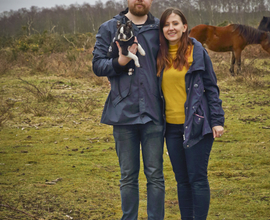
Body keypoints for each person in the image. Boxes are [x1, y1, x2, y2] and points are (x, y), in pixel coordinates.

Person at [92, 0, 165, 219]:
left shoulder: (160, 29)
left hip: (154, 112)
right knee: (128, 177)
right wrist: (120, 61)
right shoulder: (109, 27)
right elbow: (97, 65)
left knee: (155, 176)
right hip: (123, 112)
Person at [156, 8, 225, 220]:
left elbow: (211, 87)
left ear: (185, 27)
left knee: (197, 178)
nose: (171, 28)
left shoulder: (197, 51)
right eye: (166, 25)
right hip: (171, 129)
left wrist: (217, 120)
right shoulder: (158, 54)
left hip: (197, 124)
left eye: (175, 23)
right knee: (182, 180)